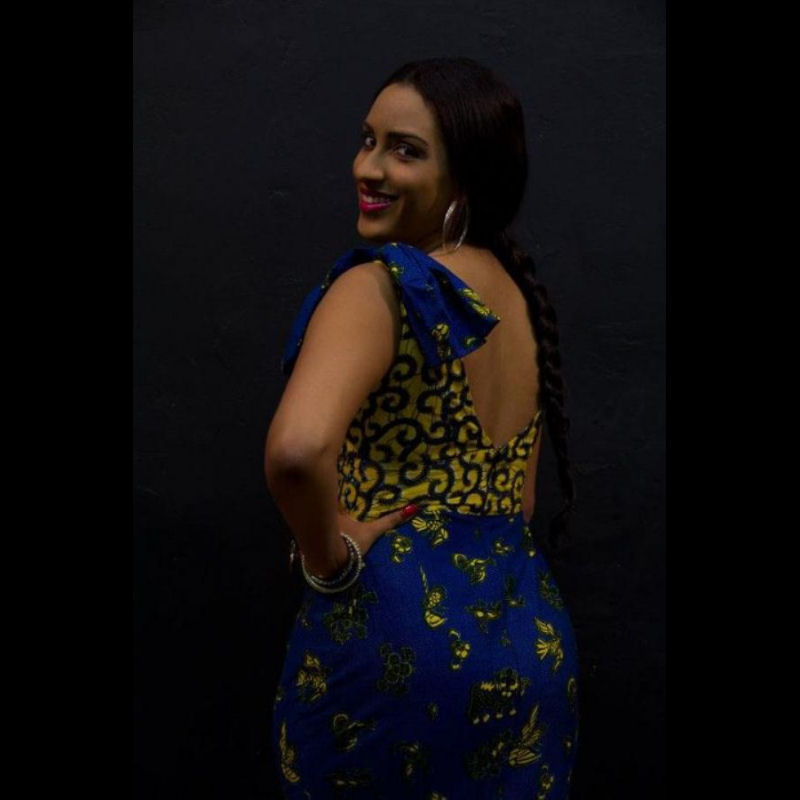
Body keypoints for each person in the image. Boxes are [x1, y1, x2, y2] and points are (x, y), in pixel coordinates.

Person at [265, 57, 579, 800]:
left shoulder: (382, 286)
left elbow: (297, 451)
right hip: (530, 646)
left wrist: (329, 559)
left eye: (404, 151)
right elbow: (522, 503)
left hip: (395, 644)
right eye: (367, 140)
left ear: (464, 178)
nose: (367, 168)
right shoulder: (518, 298)